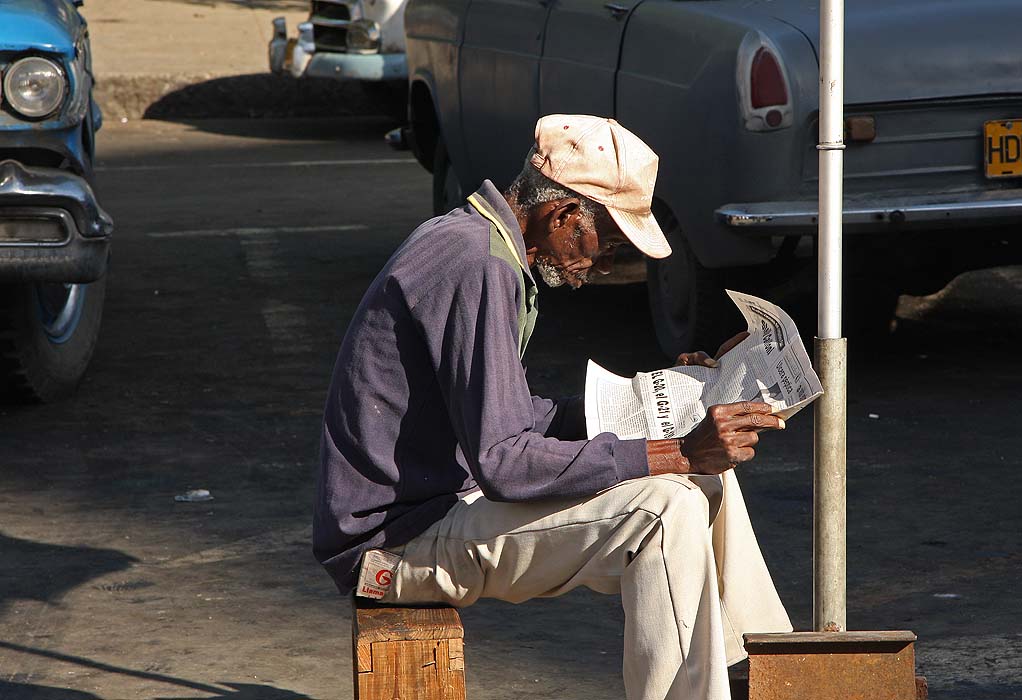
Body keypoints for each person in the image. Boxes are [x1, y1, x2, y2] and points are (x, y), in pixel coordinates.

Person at [315, 114, 792, 700]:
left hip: (441, 506)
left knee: (708, 482)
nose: (605, 264)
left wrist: (659, 395)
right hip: (394, 545)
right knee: (663, 507)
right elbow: (505, 463)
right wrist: (673, 451)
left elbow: (505, 419)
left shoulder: (479, 242)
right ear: (564, 214)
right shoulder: (478, 264)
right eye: (607, 243)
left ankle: (762, 674)